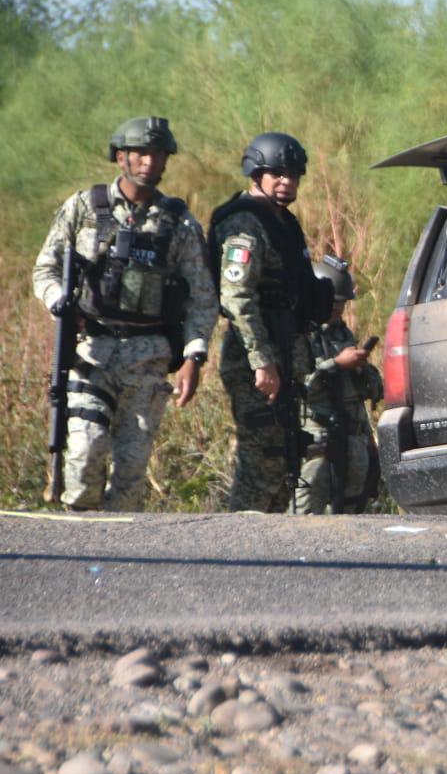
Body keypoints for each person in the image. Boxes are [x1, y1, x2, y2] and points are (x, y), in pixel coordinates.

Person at [32, 116, 218, 511]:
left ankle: (120, 549)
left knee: (131, 476)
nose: (150, 162)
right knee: (84, 456)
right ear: (121, 158)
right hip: (91, 353)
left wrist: (194, 357)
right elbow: (45, 268)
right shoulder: (84, 207)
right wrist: (58, 302)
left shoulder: (179, 222)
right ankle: (79, 540)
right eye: (141, 153)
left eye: (158, 154)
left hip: (148, 358)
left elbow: (202, 298)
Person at [211, 131, 329, 513]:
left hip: (286, 353)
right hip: (255, 360)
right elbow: (237, 297)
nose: (286, 182)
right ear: (255, 174)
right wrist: (262, 361)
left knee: (284, 461)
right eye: (277, 174)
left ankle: (270, 543)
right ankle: (237, 539)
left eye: (293, 175)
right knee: (262, 463)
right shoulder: (244, 224)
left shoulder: (284, 223)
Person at [293, 255, 382, 515]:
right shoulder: (299, 335)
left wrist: (362, 369)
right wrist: (336, 364)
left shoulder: (343, 334)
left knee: (352, 514)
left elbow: (370, 391)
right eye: (332, 303)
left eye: (341, 304)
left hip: (352, 439)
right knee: (305, 515)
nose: (336, 310)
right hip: (318, 440)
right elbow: (300, 386)